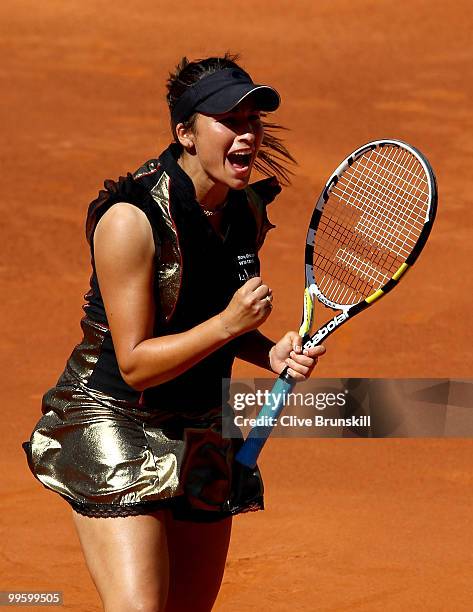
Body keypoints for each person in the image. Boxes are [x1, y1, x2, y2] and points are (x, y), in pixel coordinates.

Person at [22, 54, 326, 612]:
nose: (248, 134)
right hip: (114, 416)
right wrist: (230, 323)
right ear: (184, 133)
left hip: (202, 425)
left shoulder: (244, 211)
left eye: (253, 121)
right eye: (228, 121)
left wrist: (268, 351)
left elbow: (209, 318)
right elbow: (135, 361)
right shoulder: (130, 221)